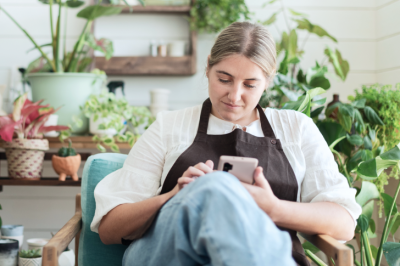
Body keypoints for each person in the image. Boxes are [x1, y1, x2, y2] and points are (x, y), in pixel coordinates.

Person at [91, 22, 362, 266]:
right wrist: (175, 196)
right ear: (208, 67)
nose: (235, 95)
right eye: (224, 79)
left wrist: (273, 209)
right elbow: (110, 229)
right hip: (166, 255)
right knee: (215, 186)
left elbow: (344, 223)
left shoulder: (296, 129)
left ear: (267, 81)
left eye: (250, 85)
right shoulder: (169, 127)